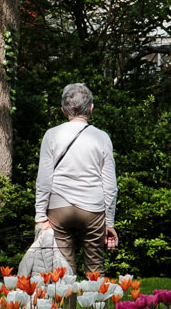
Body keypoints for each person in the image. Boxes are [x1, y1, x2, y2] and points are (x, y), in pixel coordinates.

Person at [33, 82, 119, 275]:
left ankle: (66, 305)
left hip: (58, 208)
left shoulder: (51, 134)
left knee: (63, 270)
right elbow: (110, 185)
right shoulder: (102, 137)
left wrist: (40, 216)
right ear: (91, 108)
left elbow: (44, 179)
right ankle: (97, 305)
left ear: (63, 111)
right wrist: (109, 222)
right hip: (93, 209)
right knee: (96, 268)